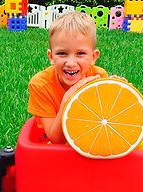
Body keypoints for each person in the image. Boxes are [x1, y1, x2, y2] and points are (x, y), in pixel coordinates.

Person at [27, 12, 108, 144]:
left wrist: (117, 91)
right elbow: (56, 139)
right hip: (51, 145)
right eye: (62, 53)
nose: (70, 63)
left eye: (80, 53)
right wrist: (67, 100)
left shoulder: (98, 77)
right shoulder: (40, 85)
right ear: (51, 57)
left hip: (88, 136)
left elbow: (104, 119)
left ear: (93, 57)